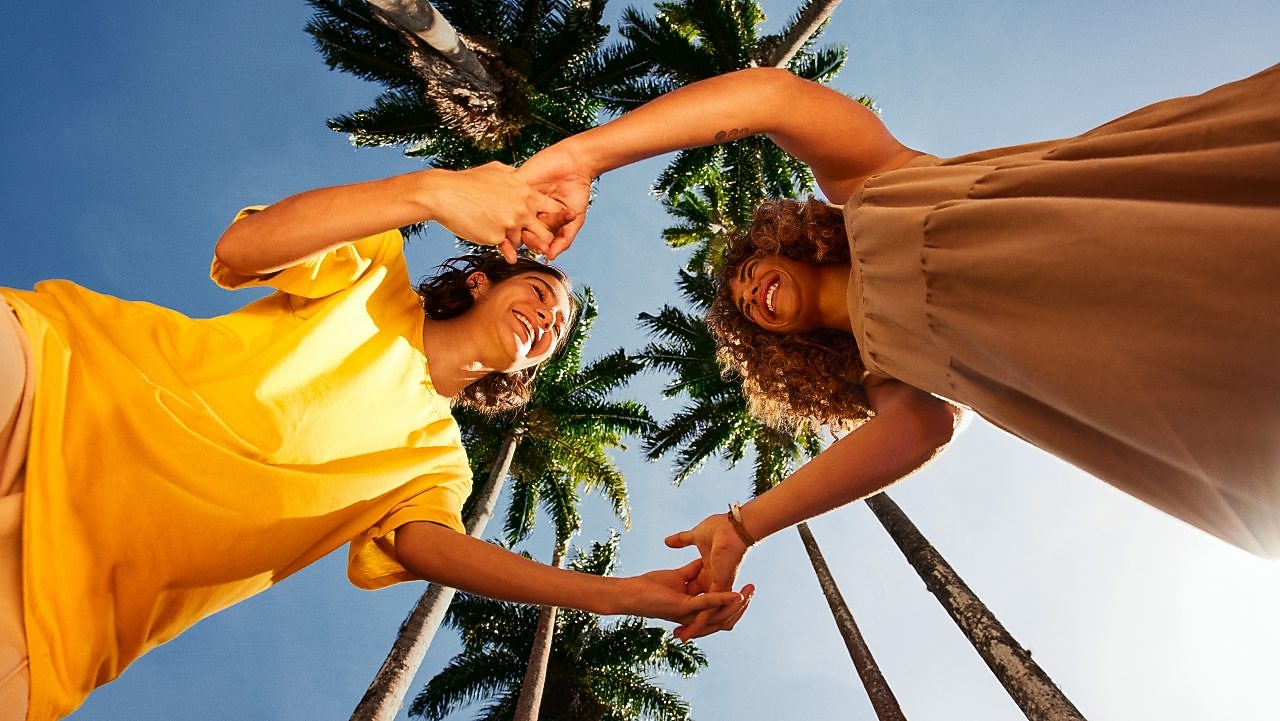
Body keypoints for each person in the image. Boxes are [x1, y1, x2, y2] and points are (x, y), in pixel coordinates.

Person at [513, 64, 1280, 639]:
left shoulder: (874, 187)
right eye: (748, 309)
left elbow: (774, 98)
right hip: (1166, 376)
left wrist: (590, 155)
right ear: (780, 350)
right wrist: (744, 525)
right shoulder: (891, 374)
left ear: (788, 244)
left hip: (1175, 210)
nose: (751, 293)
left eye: (749, 273)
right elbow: (920, 434)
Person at [0, 162, 746, 721]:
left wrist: (616, 594)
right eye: (543, 294)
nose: (549, 320)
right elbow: (245, 244)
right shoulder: (372, 270)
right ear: (487, 280)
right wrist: (431, 190)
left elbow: (434, 548)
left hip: (62, 615)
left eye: (558, 331)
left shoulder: (434, 463)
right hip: (52, 384)